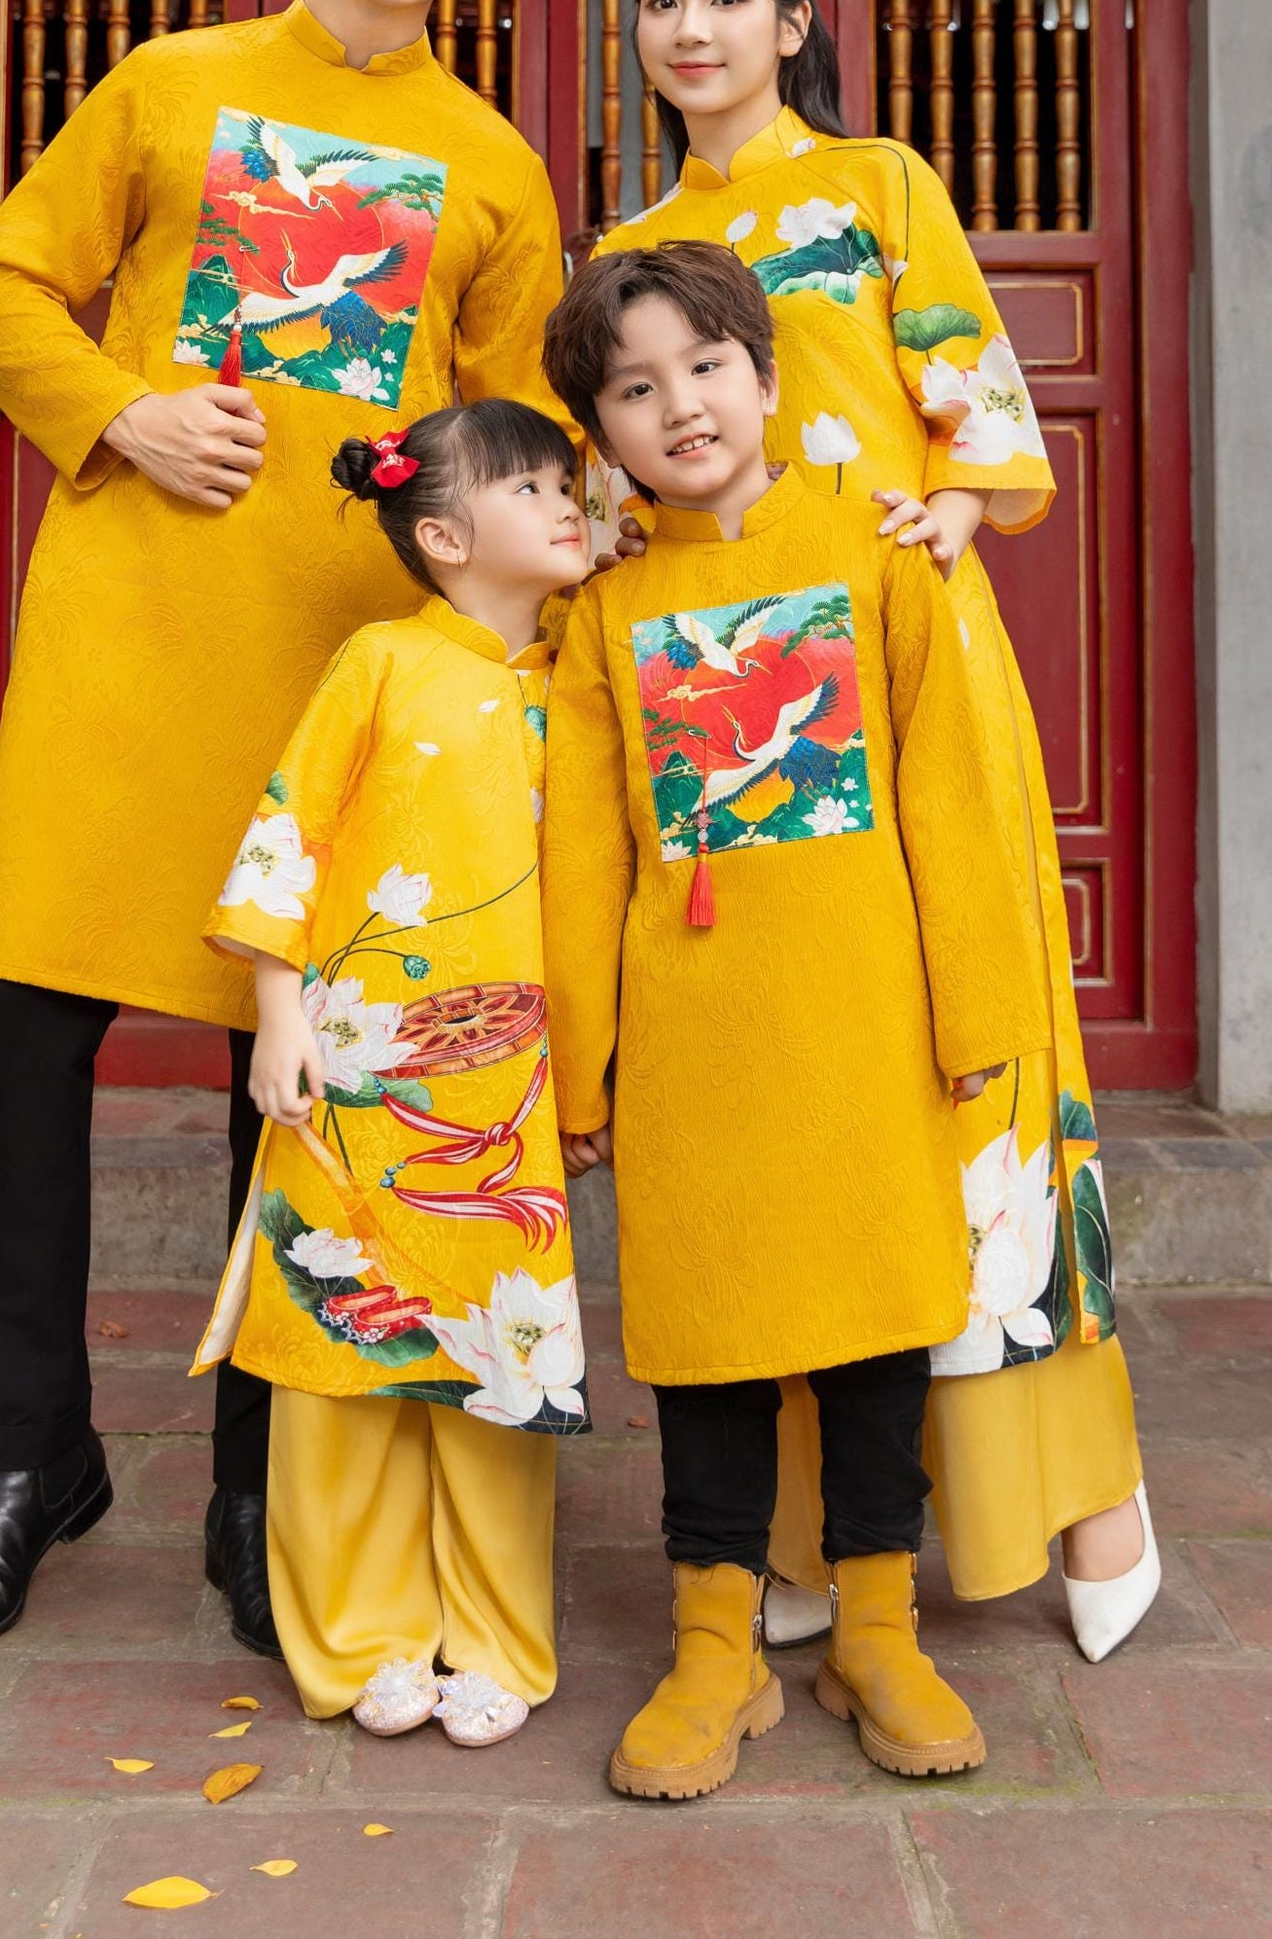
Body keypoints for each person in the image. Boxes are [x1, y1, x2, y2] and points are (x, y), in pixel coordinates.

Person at [0, 0, 571, 1670]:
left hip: (336, 679)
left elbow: (508, 449)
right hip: (125, 639)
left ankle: (259, 1472)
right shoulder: (167, 86)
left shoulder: (495, 169)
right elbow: (1, 285)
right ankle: (30, 1457)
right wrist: (124, 407)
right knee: (25, 1040)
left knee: (295, 1091)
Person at [597, 0, 1157, 1666]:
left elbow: (980, 412)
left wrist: (959, 508)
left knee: (971, 1085)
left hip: (909, 657)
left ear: (788, 19)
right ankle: (798, 1540)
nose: (692, 30)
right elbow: (616, 484)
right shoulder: (624, 251)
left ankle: (1081, 1492)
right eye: (662, 1)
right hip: (722, 693)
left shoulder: (881, 185)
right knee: (775, 1114)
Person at [539, 242, 1049, 1800]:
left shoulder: (880, 549)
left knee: (882, 1327)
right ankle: (713, 1643)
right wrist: (579, 1056)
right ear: (600, 434)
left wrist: (976, 1006)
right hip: (691, 1025)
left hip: (864, 1009)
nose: (678, 406)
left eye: (703, 366)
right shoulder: (607, 606)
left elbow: (951, 795)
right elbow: (580, 843)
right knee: (702, 1340)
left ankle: (878, 1629)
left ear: (764, 378)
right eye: (633, 388)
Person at [191, 398, 590, 1744]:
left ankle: (490, 1631)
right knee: (341, 1346)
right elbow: (287, 826)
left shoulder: (589, 672)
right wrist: (276, 1007)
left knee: (496, 1351)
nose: (564, 503)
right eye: (529, 488)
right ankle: (359, 1634)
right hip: (359, 1064)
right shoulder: (377, 660)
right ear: (439, 533)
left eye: (565, 484)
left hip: (507, 1083)